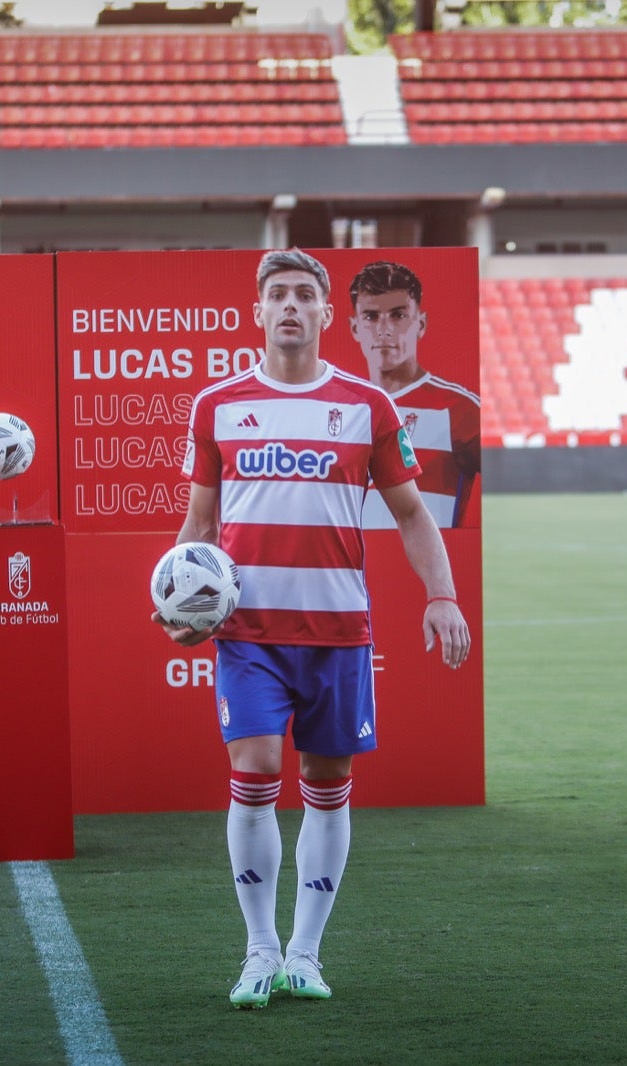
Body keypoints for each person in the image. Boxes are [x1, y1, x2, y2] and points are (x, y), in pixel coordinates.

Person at [156, 249, 471, 1008]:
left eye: (304, 294)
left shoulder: (369, 406)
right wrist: (174, 598)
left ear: (329, 314)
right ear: (257, 312)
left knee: (328, 784)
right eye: (277, 295)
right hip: (250, 633)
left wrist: (443, 596)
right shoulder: (218, 405)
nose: (290, 305)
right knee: (257, 770)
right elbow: (199, 522)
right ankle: (259, 950)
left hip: (337, 633)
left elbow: (411, 513)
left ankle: (305, 952)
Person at [346, 260, 481, 529]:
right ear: (354, 328)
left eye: (398, 315)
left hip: (423, 569)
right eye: (371, 317)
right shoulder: (341, 408)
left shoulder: (460, 409)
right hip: (353, 570)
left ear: (421, 324)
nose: (384, 330)